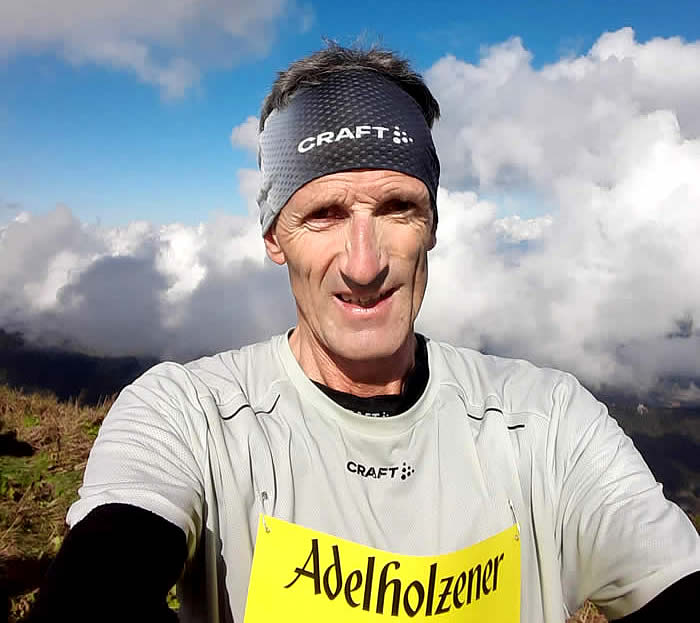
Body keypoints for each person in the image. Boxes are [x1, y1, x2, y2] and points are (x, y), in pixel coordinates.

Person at [29, 44, 699, 623]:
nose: (363, 263)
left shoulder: (549, 424)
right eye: (323, 214)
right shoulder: (189, 416)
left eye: (398, 207)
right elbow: (99, 581)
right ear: (274, 236)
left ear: (431, 225)